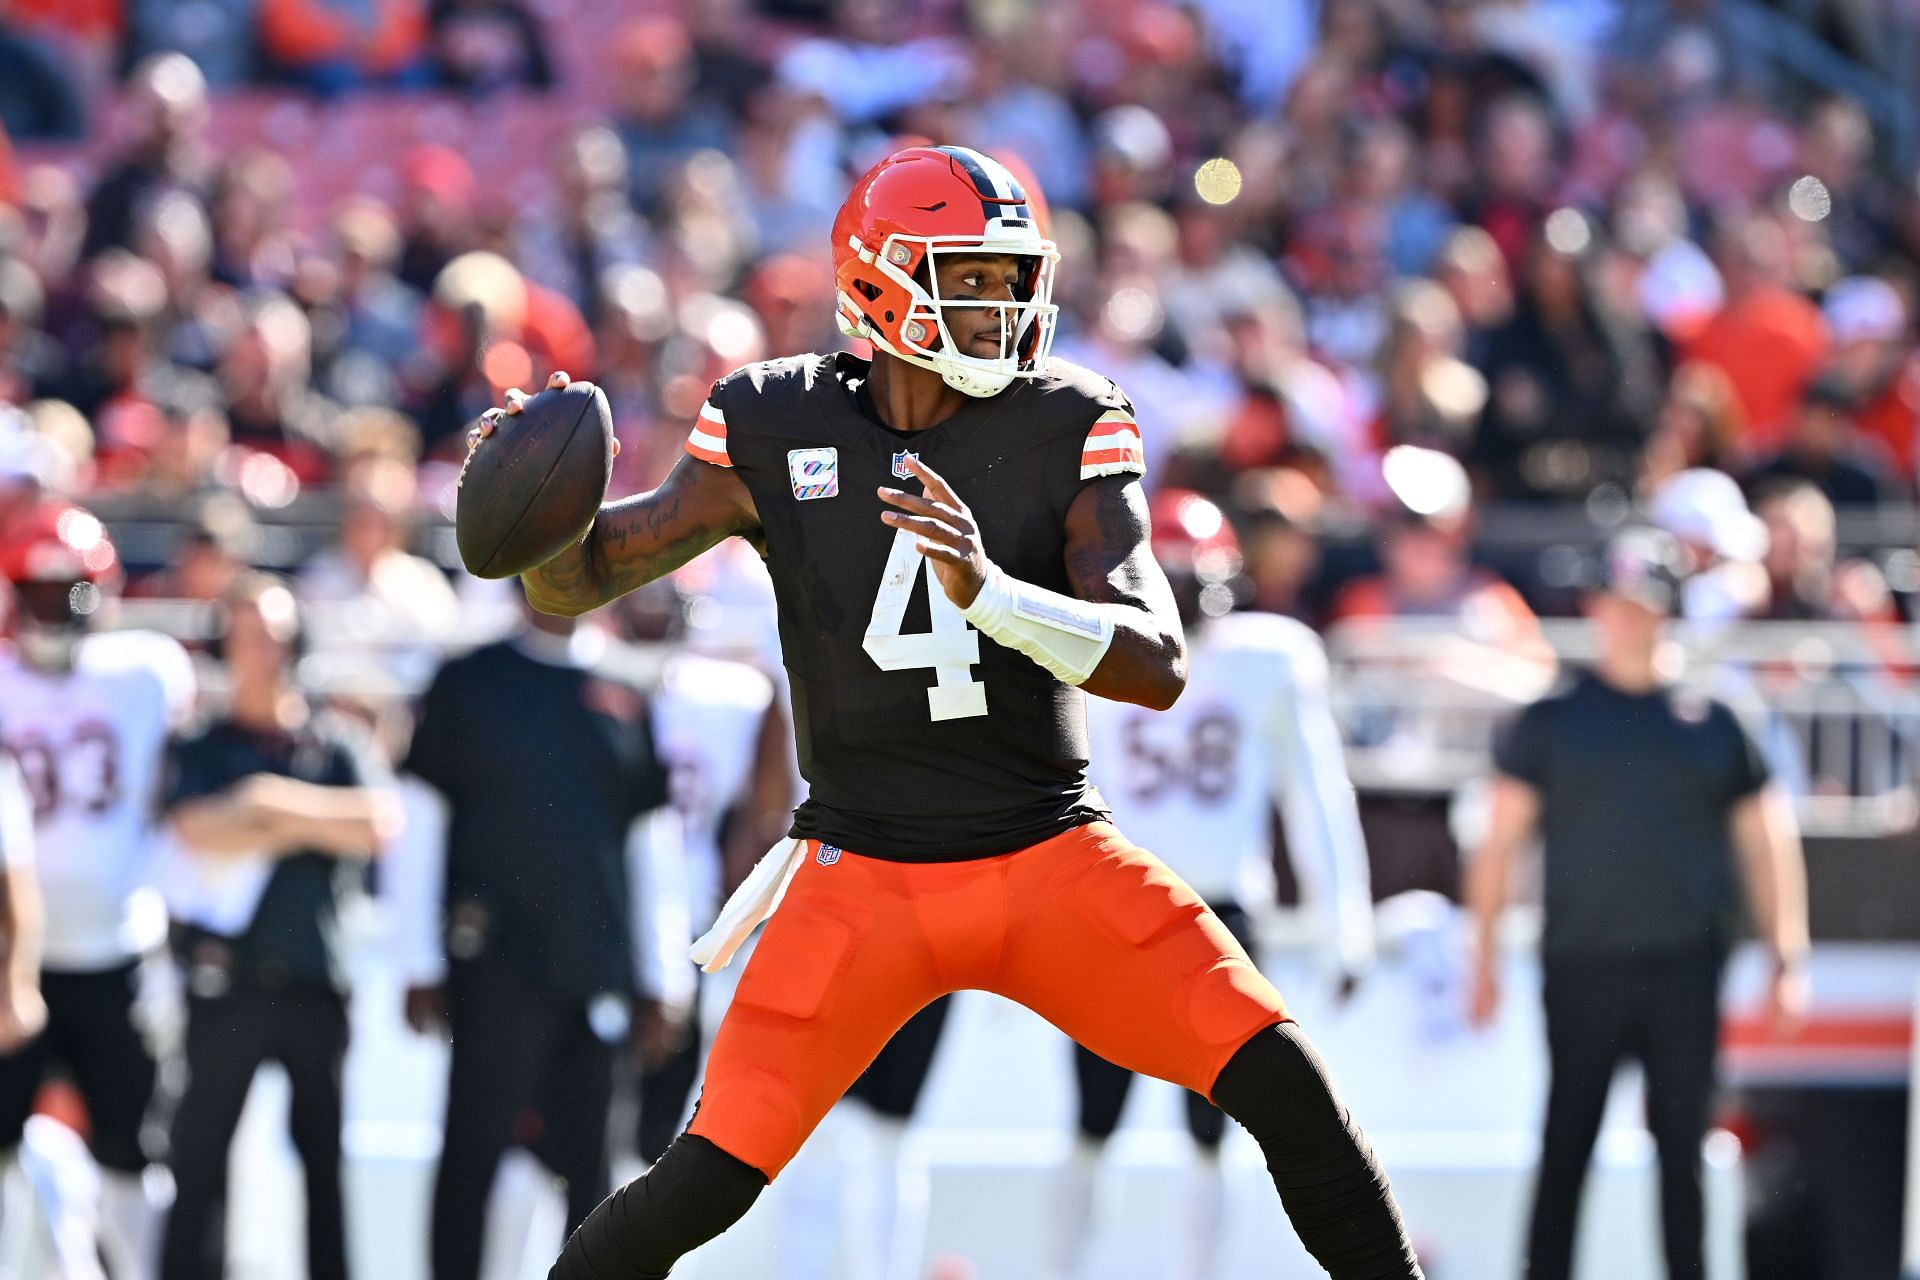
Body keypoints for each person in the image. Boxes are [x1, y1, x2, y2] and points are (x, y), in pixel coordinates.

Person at [472, 143, 1422, 1280]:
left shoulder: (1071, 417)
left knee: (1282, 1077)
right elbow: (579, 580)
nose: (1004, 304)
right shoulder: (772, 419)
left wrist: (998, 597)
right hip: (858, 873)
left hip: (1045, 851)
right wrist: (527, 510)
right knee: (703, 1179)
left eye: (1014, 275)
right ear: (879, 278)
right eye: (971, 276)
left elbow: (1155, 660)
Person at [1464, 528, 1813, 1280]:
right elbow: (1499, 844)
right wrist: (1482, 957)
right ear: (1596, 610)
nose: (1627, 620)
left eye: (1643, 606)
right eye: (1615, 604)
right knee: (1566, 1142)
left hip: (1686, 968)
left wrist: (1789, 954)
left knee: (1682, 1152)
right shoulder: (1552, 720)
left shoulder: (1716, 720)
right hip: (1581, 965)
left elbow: (1765, 841)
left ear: (1668, 613)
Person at [1057, 489, 1376, 1280]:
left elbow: (1317, 795)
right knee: (1093, 1124)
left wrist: (1350, 922)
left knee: (1214, 1132)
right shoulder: (1086, 647)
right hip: (1113, 907)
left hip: (1218, 914)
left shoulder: (1266, 657)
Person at [393, 587, 674, 1280]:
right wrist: (417, 960)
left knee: (592, 1173)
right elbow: (419, 819)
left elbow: (652, 840)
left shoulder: (626, 687)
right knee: (473, 1157)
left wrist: (662, 975)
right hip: (492, 968)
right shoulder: (468, 680)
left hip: (595, 967)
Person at [160, 575, 396, 1280]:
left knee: (324, 1166)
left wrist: (264, 806)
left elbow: (377, 824)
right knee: (197, 1164)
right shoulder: (203, 742)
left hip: (315, 982)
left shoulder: (335, 740)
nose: (262, 651)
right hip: (222, 981)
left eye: (273, 635)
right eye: (246, 634)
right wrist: (307, 823)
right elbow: (194, 829)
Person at [0, 501, 196, 1280]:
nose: (54, 611)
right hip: (13, 959)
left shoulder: (146, 671)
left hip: (120, 949)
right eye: (40, 594)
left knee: (132, 1147)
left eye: (69, 594)